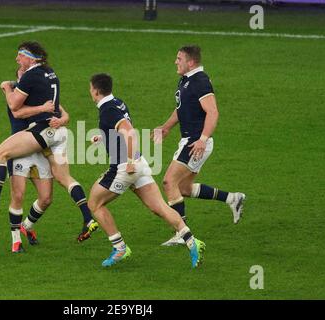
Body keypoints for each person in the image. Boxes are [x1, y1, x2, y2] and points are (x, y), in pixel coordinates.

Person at [0, 41, 98, 247]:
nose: (18, 62)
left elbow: (17, 108)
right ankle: (19, 237)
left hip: (36, 138)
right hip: (41, 142)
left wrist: (6, 89)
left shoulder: (28, 84)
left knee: (2, 158)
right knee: (35, 192)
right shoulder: (47, 76)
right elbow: (50, 109)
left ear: (30, 58)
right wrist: (57, 116)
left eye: (20, 57)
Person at [87, 73, 205, 268]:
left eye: (90, 89)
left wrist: (130, 161)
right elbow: (120, 129)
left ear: (96, 91)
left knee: (94, 203)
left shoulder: (107, 109)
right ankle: (192, 242)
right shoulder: (117, 102)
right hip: (140, 164)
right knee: (159, 207)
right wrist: (103, 138)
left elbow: (129, 131)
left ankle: (120, 248)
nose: (90, 92)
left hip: (125, 167)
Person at [152, 45, 246, 246]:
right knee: (183, 188)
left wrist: (202, 139)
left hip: (195, 142)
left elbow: (213, 112)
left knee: (169, 182)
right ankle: (233, 198)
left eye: (179, 59)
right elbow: (182, 108)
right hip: (190, 140)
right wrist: (166, 127)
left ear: (191, 62)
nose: (175, 62)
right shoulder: (186, 80)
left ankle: (181, 232)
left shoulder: (200, 82)